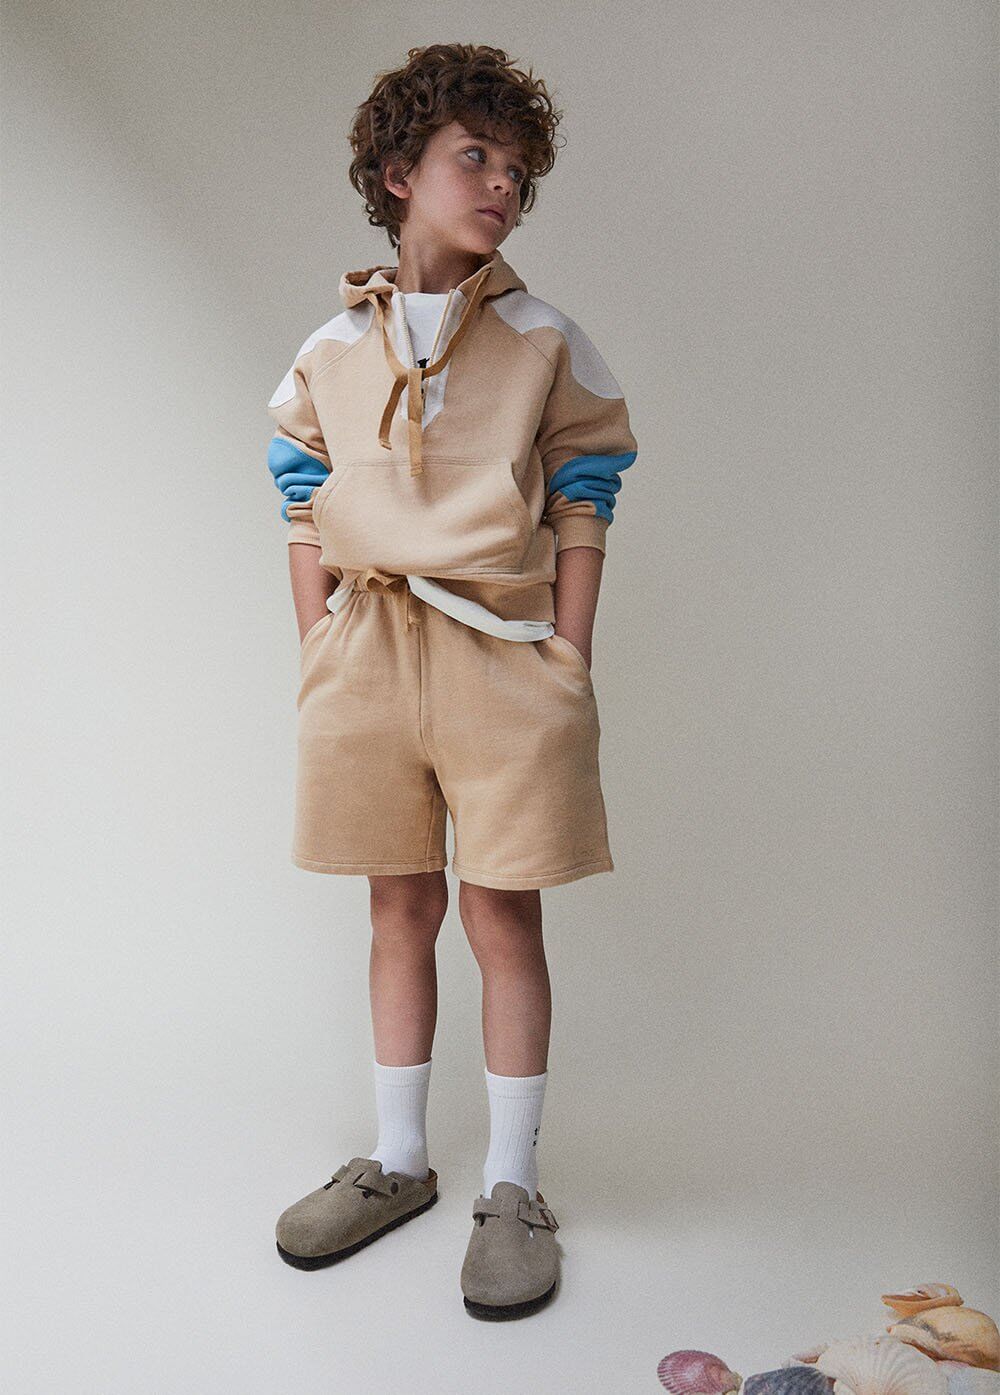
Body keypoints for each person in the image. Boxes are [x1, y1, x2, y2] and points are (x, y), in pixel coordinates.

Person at [265, 42, 637, 1320]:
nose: (499, 187)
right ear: (396, 173)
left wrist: (567, 653)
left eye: (517, 172)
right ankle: (400, 1160)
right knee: (396, 908)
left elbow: (586, 489)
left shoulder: (542, 337)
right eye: (473, 157)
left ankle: (515, 1187)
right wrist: (318, 643)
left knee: (502, 918)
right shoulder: (329, 345)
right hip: (368, 654)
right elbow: (299, 493)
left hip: (501, 655)